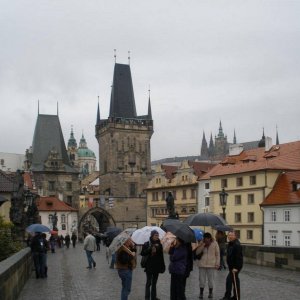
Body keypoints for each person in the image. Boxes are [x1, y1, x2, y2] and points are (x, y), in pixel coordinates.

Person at [141, 230, 165, 300]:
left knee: (154, 283)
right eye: (155, 235)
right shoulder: (147, 244)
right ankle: (147, 298)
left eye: (157, 235)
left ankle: (153, 297)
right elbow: (142, 253)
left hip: (156, 266)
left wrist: (162, 266)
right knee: (148, 283)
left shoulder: (159, 244)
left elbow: (161, 256)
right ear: (152, 235)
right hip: (149, 266)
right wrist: (150, 248)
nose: (157, 237)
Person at [195, 232, 220, 299]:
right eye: (205, 238)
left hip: (211, 264)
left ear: (210, 238)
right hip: (202, 264)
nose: (206, 240)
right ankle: (201, 293)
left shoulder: (215, 243)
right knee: (201, 280)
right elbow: (197, 252)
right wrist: (202, 245)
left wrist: (217, 263)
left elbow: (217, 254)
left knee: (211, 280)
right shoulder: (201, 242)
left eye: (207, 238)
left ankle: (210, 293)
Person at [220, 231, 243, 300]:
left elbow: (239, 258)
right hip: (231, 267)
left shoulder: (237, 245)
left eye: (232, 235)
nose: (230, 237)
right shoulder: (231, 244)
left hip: (234, 268)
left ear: (235, 236)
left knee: (231, 281)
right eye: (229, 235)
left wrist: (236, 268)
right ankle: (234, 297)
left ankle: (231, 297)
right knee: (233, 281)